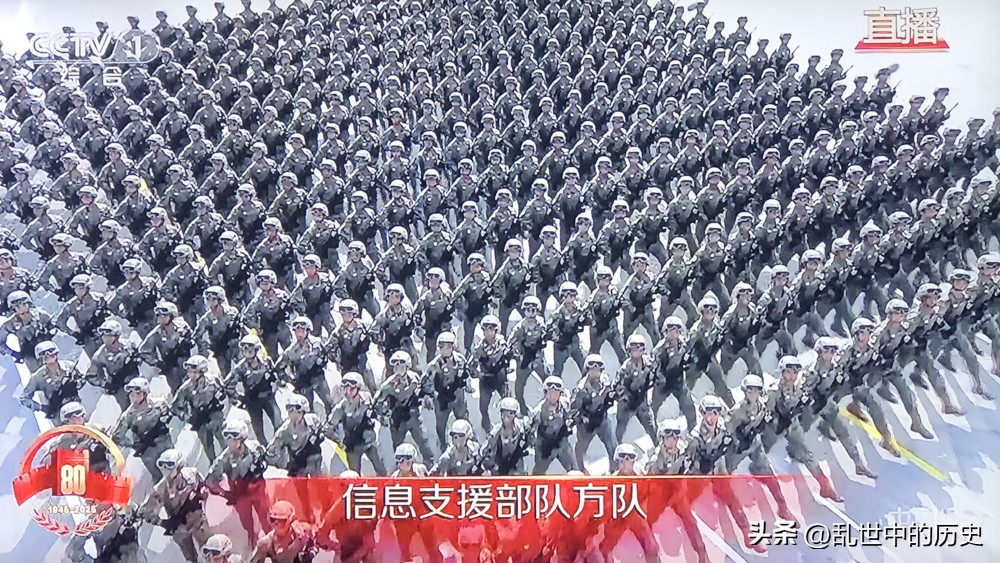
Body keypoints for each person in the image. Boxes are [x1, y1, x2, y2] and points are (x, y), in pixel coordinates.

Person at [139, 449, 212, 562]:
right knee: (190, 555)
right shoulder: (162, 488)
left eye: (169, 465)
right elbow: (151, 506)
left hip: (197, 520)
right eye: (162, 465)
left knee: (211, 547)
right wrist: (147, 514)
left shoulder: (191, 475)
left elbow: (205, 487)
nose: (165, 469)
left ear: (179, 465)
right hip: (179, 527)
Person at [206, 420, 271, 545]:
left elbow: (268, 459)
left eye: (234, 436)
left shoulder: (254, 448)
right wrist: (224, 494)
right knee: (248, 528)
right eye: (227, 436)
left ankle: (273, 545)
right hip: (240, 496)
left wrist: (261, 465)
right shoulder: (223, 459)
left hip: (258, 490)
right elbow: (210, 481)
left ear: (242, 437)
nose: (230, 440)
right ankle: (255, 547)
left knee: (267, 520)